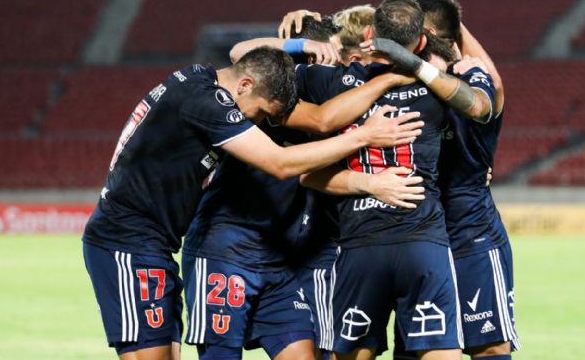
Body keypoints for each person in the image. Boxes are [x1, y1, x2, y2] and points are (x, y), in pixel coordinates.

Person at [82, 46, 422, 360]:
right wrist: (363, 136)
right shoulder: (206, 102)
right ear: (245, 85)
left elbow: (251, 58)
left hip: (156, 244)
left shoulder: (202, 77)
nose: (257, 122)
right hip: (126, 242)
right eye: (260, 112)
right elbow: (280, 163)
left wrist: (298, 44)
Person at [298, 0, 488, 360]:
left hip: (359, 245)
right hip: (423, 243)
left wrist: (299, 43)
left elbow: (245, 55)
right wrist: (419, 66)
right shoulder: (438, 90)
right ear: (419, 42)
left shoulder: (334, 81)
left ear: (370, 33)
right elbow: (479, 106)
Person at [384, 0, 519, 360]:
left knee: (489, 347)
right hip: (420, 240)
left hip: (470, 236)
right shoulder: (400, 85)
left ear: (424, 36)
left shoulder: (475, 84)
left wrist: (455, 25)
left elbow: (491, 82)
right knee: (415, 350)